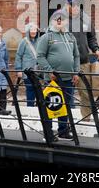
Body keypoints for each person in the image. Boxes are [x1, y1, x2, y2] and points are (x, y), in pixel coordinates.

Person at [37, 9, 80, 141]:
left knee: (65, 106)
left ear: (67, 21)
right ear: (53, 21)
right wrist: (49, 70)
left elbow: (76, 55)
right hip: (52, 79)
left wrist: (76, 72)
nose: (60, 21)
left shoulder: (71, 37)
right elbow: (40, 56)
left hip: (68, 78)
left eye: (63, 19)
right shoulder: (46, 37)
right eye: (57, 19)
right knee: (51, 105)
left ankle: (63, 131)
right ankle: (48, 133)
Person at [63, 0, 99, 121]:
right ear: (67, 5)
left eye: (76, 4)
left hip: (83, 61)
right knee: (66, 92)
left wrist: (96, 50)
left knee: (86, 91)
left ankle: (86, 118)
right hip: (67, 63)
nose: (75, 7)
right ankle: (65, 119)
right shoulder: (60, 19)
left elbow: (91, 37)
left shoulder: (85, 18)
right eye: (72, 5)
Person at [15, 23, 39, 107]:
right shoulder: (24, 41)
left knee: (38, 89)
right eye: (31, 30)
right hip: (27, 71)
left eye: (35, 30)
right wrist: (18, 69)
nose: (33, 32)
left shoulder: (39, 41)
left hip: (37, 71)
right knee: (30, 89)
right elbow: (18, 56)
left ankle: (38, 108)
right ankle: (30, 107)